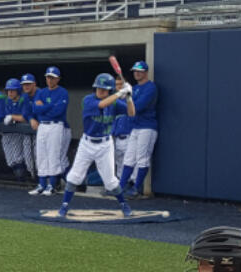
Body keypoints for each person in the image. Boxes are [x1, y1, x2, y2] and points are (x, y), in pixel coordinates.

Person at [57, 73, 134, 218]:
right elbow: (102, 104)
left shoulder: (115, 103)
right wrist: (120, 92)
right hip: (87, 143)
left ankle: (124, 205)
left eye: (104, 89)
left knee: (110, 181)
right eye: (99, 88)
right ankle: (64, 206)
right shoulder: (88, 100)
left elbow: (132, 113)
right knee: (75, 176)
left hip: (105, 145)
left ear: (109, 91)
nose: (101, 91)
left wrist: (129, 97)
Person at [28, 66, 69, 196]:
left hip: (56, 125)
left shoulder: (63, 92)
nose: (50, 80)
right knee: (41, 154)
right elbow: (35, 109)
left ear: (58, 79)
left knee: (53, 154)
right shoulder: (41, 92)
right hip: (42, 126)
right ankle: (41, 184)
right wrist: (50, 106)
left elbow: (59, 111)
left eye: (52, 78)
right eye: (48, 77)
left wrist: (44, 107)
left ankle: (52, 185)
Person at [119, 61, 157, 199]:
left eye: (139, 71)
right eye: (135, 71)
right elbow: (124, 106)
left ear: (145, 72)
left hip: (147, 127)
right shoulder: (134, 88)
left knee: (142, 158)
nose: (136, 73)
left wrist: (127, 97)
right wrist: (124, 95)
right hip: (135, 127)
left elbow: (138, 107)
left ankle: (136, 188)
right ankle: (120, 187)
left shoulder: (150, 87)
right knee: (128, 158)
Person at [0, 77, 35, 181]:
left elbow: (24, 117)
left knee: (26, 160)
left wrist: (12, 117)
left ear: (18, 90)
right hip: (11, 131)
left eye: (12, 90)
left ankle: (33, 179)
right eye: (8, 90)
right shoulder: (7, 100)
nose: (10, 92)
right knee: (11, 161)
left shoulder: (24, 99)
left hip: (27, 131)